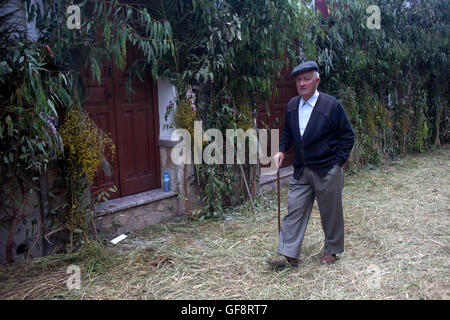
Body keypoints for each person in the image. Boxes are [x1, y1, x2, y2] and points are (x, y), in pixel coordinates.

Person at [266, 61, 355, 267]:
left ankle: (332, 250)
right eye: (299, 80)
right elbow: (288, 132)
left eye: (307, 79)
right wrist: (281, 150)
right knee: (294, 208)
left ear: (317, 80)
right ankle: (289, 254)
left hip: (327, 169)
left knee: (330, 212)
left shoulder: (331, 106)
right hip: (302, 169)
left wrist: (337, 163)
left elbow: (347, 136)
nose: (302, 83)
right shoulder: (291, 106)